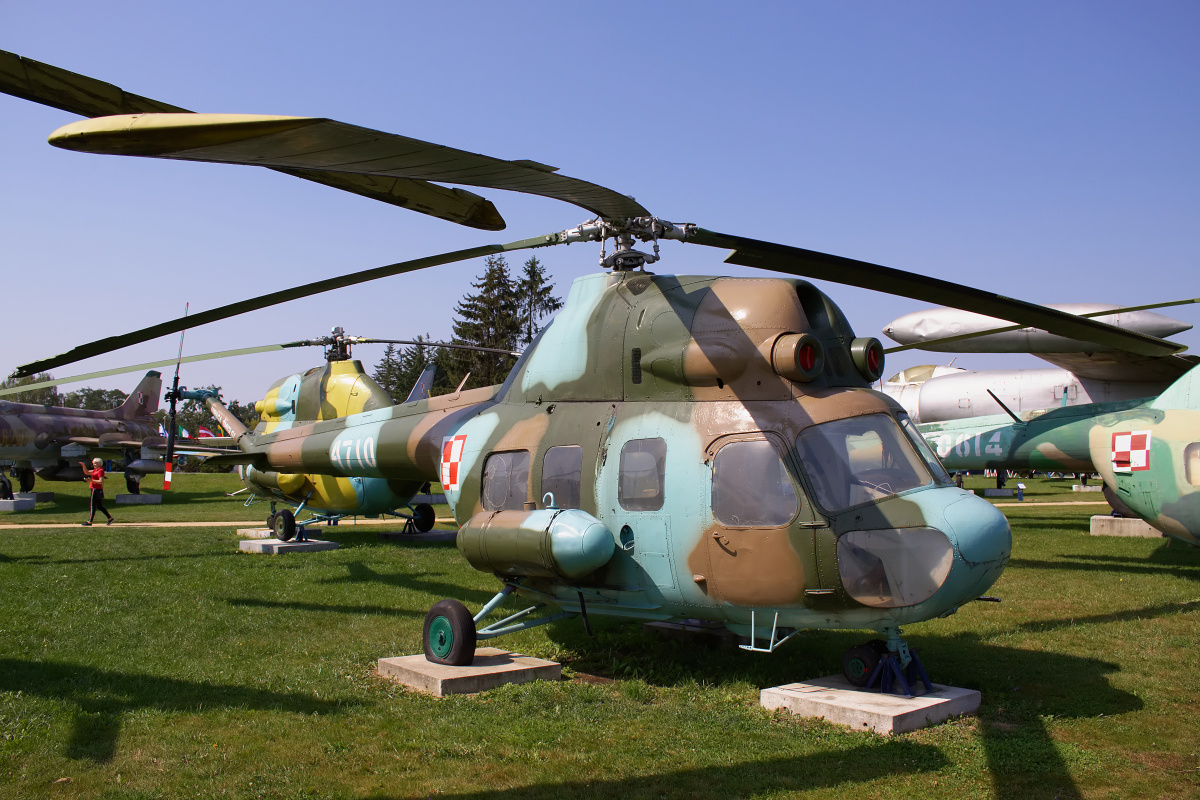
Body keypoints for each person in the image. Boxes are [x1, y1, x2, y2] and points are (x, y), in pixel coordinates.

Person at [79, 457, 114, 526]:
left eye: (95, 463)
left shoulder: (100, 471)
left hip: (96, 489)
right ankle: (110, 518)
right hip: (95, 489)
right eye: (93, 463)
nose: (94, 464)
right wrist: (83, 466)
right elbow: (87, 472)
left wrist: (91, 480)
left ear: (99, 464)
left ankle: (90, 521)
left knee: (93, 506)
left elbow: (101, 481)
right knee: (99, 506)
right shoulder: (95, 470)